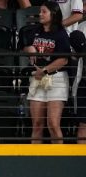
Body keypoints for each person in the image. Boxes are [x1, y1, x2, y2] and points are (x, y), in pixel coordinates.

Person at [23, 2, 70, 144]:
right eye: (40, 11)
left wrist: (44, 70)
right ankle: (35, 160)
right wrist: (29, 49)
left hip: (56, 79)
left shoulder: (61, 33)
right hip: (37, 79)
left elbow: (64, 60)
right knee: (37, 124)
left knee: (53, 124)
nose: (40, 14)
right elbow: (25, 45)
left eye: (44, 12)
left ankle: (58, 160)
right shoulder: (35, 31)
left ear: (53, 14)